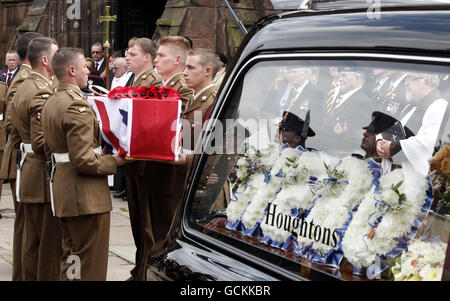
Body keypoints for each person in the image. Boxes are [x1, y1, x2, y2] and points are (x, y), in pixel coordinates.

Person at [41, 47, 126, 280]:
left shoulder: (53, 99)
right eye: (84, 68)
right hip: (84, 196)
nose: (87, 72)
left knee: (72, 259)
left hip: (65, 190)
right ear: (71, 70)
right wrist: (114, 161)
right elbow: (83, 160)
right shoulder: (75, 105)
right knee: (88, 264)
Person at [10, 37, 61, 280]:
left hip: (29, 170)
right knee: (46, 245)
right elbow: (42, 142)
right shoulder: (40, 89)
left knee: (30, 241)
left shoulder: (25, 85)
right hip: (40, 174)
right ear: (44, 59)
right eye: (56, 54)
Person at [0, 31, 43, 281]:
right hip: (22, 158)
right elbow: (13, 121)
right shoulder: (24, 79)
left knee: (27, 225)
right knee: (27, 225)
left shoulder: (26, 77)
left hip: (23, 158)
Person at [124, 37, 163, 281]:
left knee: (147, 224)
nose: (127, 57)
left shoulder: (153, 81)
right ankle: (139, 268)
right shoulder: (135, 78)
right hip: (131, 158)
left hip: (144, 161)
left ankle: (144, 271)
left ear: (147, 58)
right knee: (137, 221)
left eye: (132, 53)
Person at [376, 72, 448, 176]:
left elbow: (428, 144)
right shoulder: (410, 106)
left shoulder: (439, 106)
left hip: (415, 179)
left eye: (410, 78)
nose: (405, 83)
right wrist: (380, 141)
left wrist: (393, 148)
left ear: (427, 82)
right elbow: (394, 130)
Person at [182, 48, 220, 150]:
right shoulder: (193, 97)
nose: (184, 72)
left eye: (190, 68)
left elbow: (210, 147)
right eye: (185, 67)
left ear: (207, 71)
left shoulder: (212, 102)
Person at [154, 36, 194, 111]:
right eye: (157, 55)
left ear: (177, 60)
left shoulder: (184, 89)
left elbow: (183, 121)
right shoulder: (160, 84)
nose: (155, 60)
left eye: (161, 55)